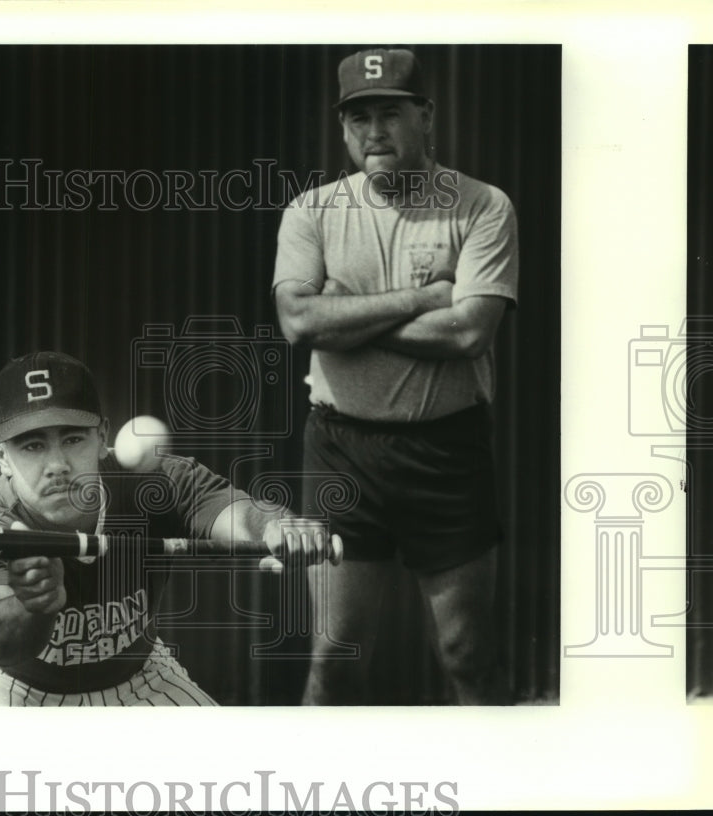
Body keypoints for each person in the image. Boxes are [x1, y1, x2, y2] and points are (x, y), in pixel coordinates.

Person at [272, 47, 518, 704]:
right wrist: (420, 299)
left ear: (426, 116)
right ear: (342, 127)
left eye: (390, 113)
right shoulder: (312, 211)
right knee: (336, 653)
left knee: (469, 650)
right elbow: (297, 323)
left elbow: (470, 331)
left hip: (447, 450)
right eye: (358, 118)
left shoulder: (483, 206)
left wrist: (343, 317)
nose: (373, 132)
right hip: (342, 451)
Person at [0, 350, 330, 705]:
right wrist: (34, 606)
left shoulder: (154, 483)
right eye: (32, 446)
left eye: (73, 438)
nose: (57, 464)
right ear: (1, 455)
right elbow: (3, 643)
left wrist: (276, 525)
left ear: (102, 438)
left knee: (236, 770)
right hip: (12, 688)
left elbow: (238, 513)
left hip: (139, 678)